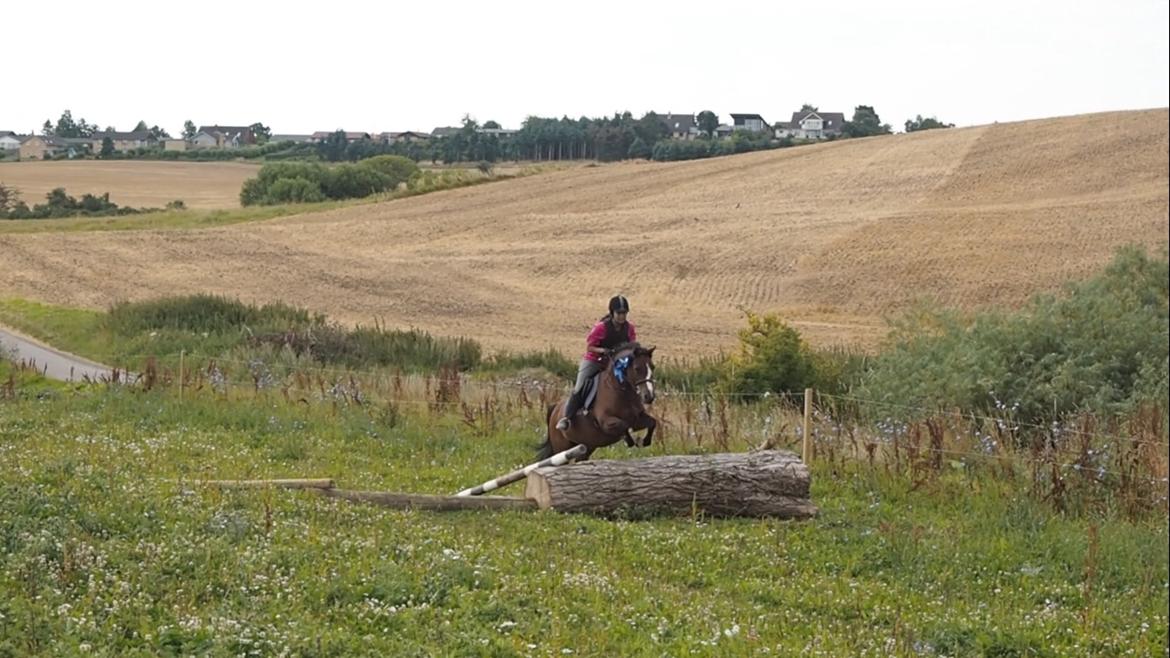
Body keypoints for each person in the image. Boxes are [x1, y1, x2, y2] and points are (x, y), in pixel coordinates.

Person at [555, 295, 637, 431]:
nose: (622, 317)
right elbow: (590, 346)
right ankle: (567, 418)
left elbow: (632, 345)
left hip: (616, 363)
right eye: (619, 313)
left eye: (624, 313)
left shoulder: (629, 328)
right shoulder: (601, 327)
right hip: (595, 360)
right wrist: (603, 350)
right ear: (612, 313)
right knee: (580, 386)